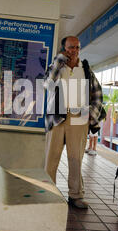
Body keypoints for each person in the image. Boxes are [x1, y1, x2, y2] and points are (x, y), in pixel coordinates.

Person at [44, 36, 105, 209]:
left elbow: (98, 94)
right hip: (57, 117)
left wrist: (90, 116)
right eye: (70, 47)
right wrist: (59, 61)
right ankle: (48, 193)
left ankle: (76, 196)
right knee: (51, 158)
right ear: (63, 49)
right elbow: (48, 84)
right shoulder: (56, 66)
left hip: (79, 117)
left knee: (76, 158)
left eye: (77, 47)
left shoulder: (85, 69)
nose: (74, 51)